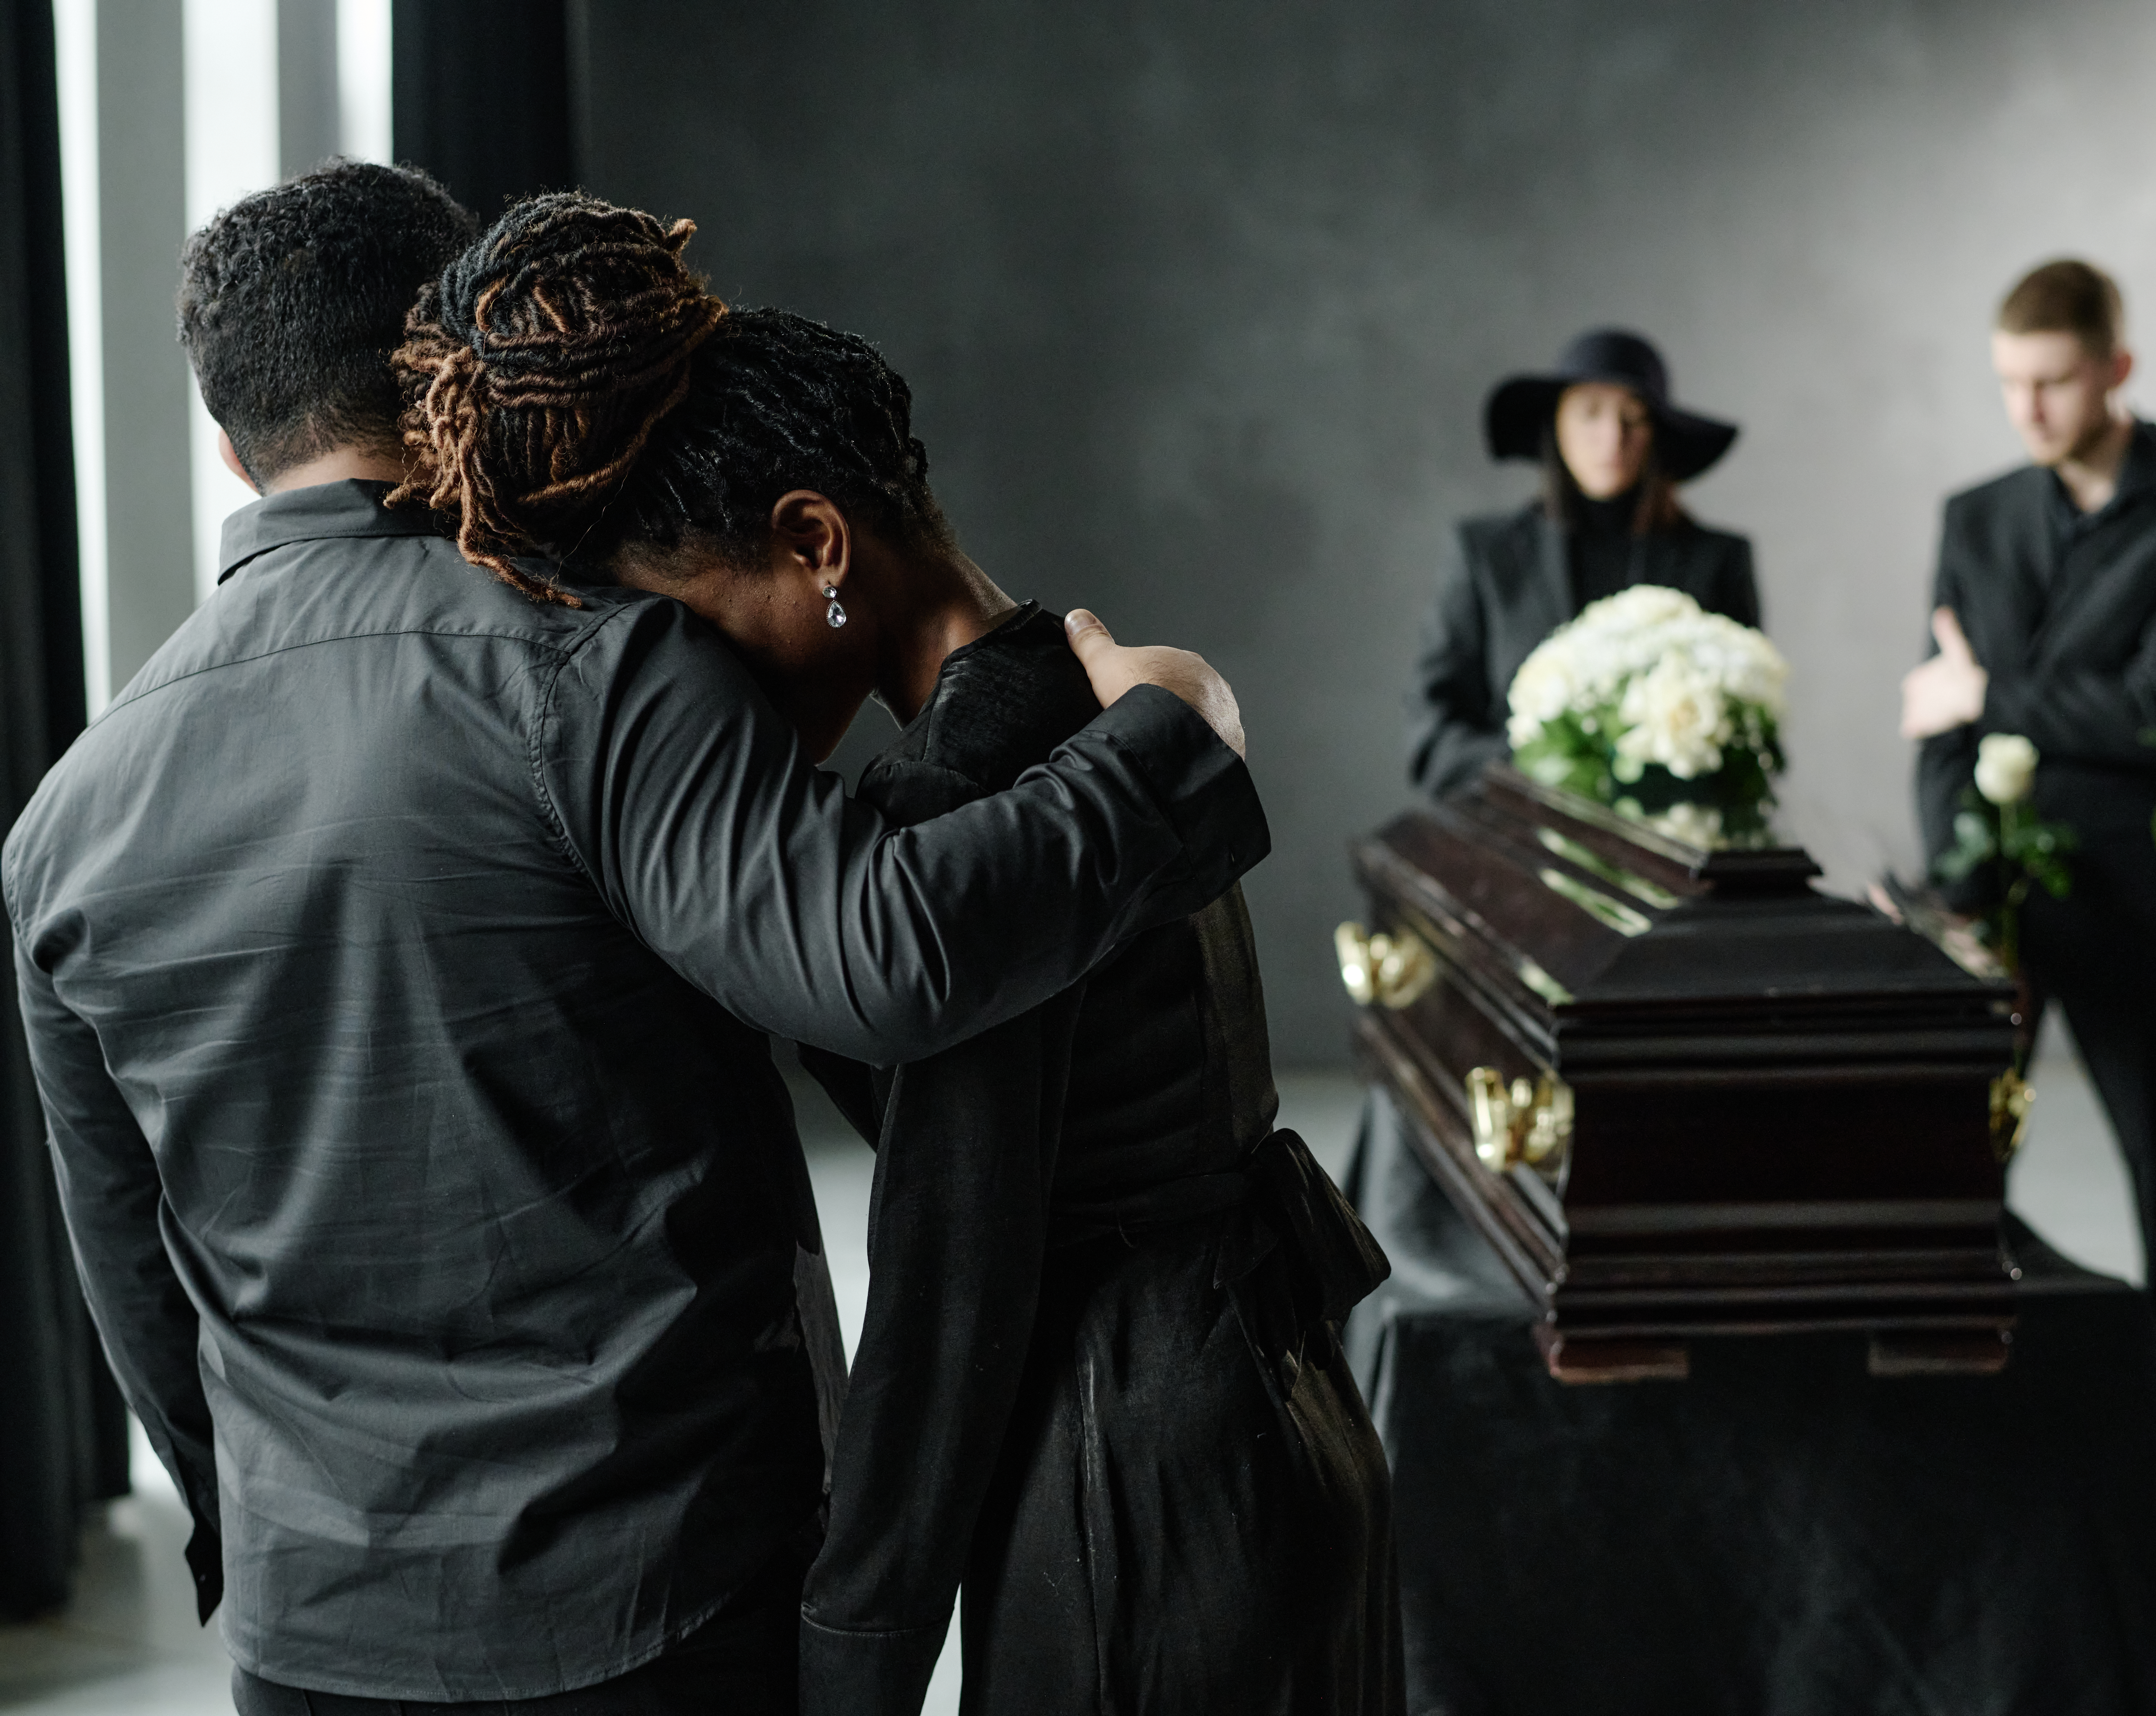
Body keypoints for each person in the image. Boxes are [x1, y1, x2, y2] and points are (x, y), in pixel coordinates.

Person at [2, 162, 1263, 1713]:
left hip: (307, 1619)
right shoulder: (595, 674)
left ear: (228, 442)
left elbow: (130, 1267)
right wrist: (1171, 738)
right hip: (657, 1594)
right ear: (451, 373)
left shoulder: (64, 820)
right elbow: (884, 959)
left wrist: (254, 1541)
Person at [393, 192, 1402, 1716]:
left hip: (1127, 1474)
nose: (701, 699)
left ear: (814, 542)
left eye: (704, 633)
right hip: (1282, 1414)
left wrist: (850, 1661)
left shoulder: (953, 817)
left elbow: (948, 1288)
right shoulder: (1095, 704)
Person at [1900, 258, 2156, 1335]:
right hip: (1987, 902)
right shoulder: (1973, 517)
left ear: (2117, 369)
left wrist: (1991, 693)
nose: (2028, 410)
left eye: (2053, 382)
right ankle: (1971, 1404)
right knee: (1951, 1177)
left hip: (2131, 894)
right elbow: (1937, 723)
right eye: (2009, 383)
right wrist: (1953, 886)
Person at [1407, 327, 1757, 798]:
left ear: (1657, 434)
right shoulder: (1484, 554)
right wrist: (1548, 769)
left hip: (1670, 841)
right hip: (1512, 838)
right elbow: (1434, 733)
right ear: (1557, 424)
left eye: (1634, 418)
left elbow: (1746, 726)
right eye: (1590, 413)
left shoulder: (1717, 560)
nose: (1612, 437)